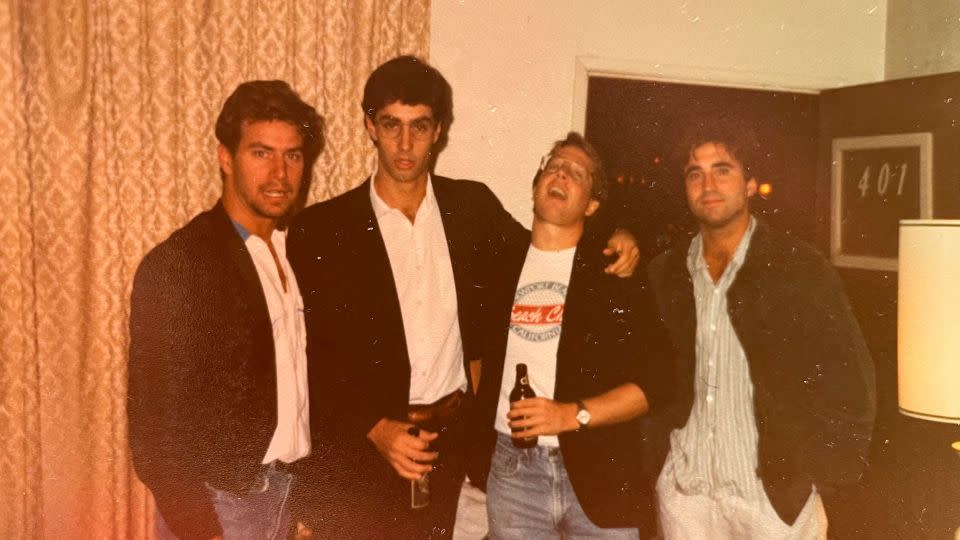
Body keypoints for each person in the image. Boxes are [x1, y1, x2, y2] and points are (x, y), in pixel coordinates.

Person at [286, 56, 638, 539]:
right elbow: (311, 357)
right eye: (391, 125)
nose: (405, 143)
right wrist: (375, 428)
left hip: (450, 449)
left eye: (420, 126)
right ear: (370, 125)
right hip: (360, 452)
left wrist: (617, 235)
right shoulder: (323, 230)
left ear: (439, 131)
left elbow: (550, 249)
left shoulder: (472, 209)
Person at [646, 117, 877, 539]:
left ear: (750, 183)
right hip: (687, 497)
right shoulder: (665, 273)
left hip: (772, 501)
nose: (707, 184)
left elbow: (850, 379)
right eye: (694, 173)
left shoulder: (798, 268)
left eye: (723, 169)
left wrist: (815, 475)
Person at [128, 80, 323, 540]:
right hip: (220, 506)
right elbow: (153, 430)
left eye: (292, 155)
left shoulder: (301, 253)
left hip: (287, 494)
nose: (280, 174)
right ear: (225, 157)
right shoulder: (180, 264)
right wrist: (202, 530)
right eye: (261, 153)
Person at [468, 133, 673, 539]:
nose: (560, 173)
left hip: (603, 471)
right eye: (553, 165)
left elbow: (658, 383)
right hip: (514, 471)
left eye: (576, 173)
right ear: (536, 186)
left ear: (592, 204)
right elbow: (473, 355)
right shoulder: (500, 262)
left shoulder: (615, 274)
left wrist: (571, 414)